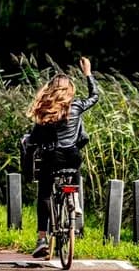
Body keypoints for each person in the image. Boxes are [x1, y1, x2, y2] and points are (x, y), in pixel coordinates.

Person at [26, 57, 99, 258]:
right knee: (75, 166)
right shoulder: (76, 106)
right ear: (70, 90)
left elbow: (34, 138)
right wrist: (88, 73)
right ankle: (74, 200)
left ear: (52, 90)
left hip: (52, 157)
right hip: (72, 156)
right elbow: (95, 97)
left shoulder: (45, 109)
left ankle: (42, 238)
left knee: (44, 193)